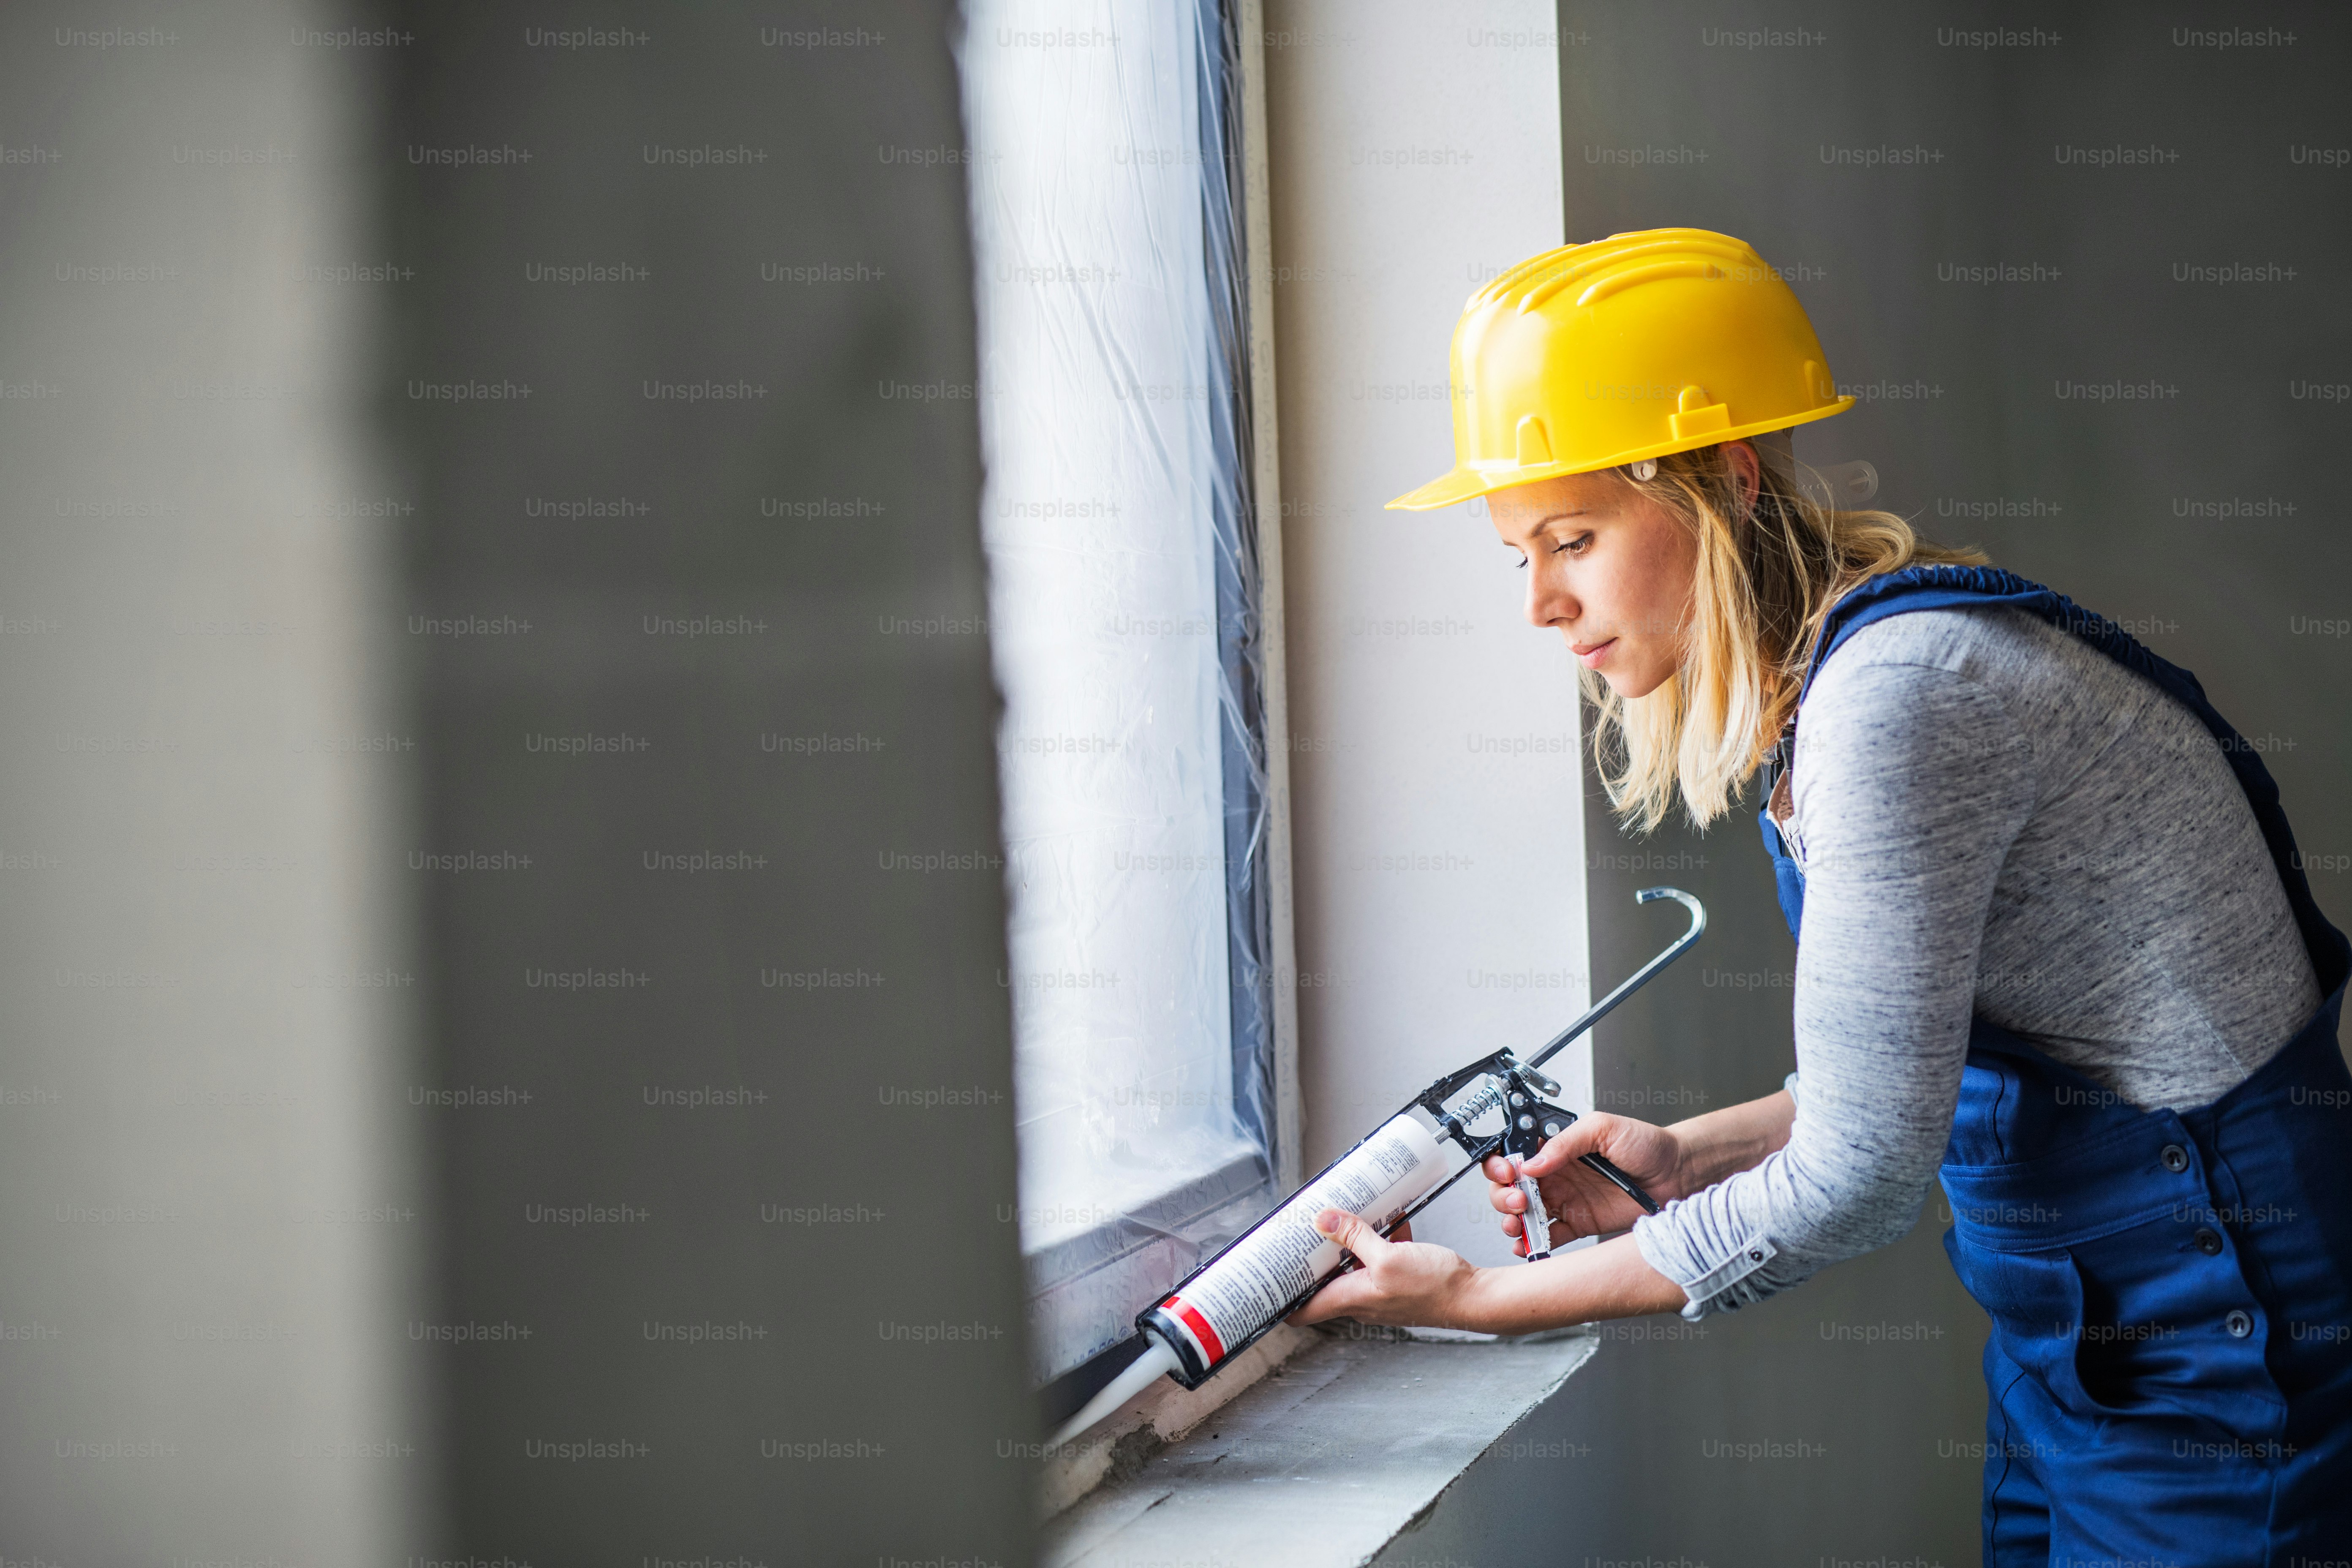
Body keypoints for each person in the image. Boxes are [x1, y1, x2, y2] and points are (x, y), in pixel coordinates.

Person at [1288, 229, 2352, 1562]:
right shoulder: (1850, 681)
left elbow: (1857, 1182)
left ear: (1726, 482)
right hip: (2083, 1338)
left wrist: (1488, 1297)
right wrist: (1687, 1158)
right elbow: (1921, 1068)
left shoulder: (1899, 701)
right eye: (1521, 554)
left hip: (2216, 1333)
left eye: (1573, 537)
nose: (1543, 607)